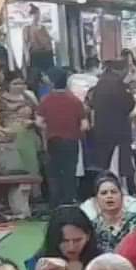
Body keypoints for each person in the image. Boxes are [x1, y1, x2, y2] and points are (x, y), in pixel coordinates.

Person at [36, 68, 86, 206]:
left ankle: (55, 202)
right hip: (71, 141)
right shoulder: (75, 101)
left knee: (54, 173)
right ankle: (69, 200)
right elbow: (84, 125)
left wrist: (49, 127)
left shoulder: (46, 100)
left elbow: (39, 122)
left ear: (52, 82)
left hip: (53, 141)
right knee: (70, 172)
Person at [0, 73, 43, 202]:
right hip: (11, 134)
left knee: (32, 163)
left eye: (22, 83)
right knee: (19, 163)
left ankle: (35, 196)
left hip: (29, 133)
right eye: (15, 83)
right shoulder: (1, 99)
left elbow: (38, 114)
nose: (19, 86)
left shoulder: (29, 96)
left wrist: (32, 123)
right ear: (8, 85)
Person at [88, 60, 136, 186]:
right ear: (120, 70)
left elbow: (93, 104)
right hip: (118, 133)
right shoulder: (119, 85)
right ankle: (121, 189)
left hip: (101, 131)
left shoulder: (100, 84)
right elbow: (128, 105)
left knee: (104, 165)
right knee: (119, 167)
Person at [85, 173, 136, 251]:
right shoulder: (91, 227)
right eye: (104, 193)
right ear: (96, 200)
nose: (109, 196)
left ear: (122, 197)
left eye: (113, 192)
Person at [22, 5, 55, 82]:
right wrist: (27, 56)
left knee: (47, 76)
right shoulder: (27, 28)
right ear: (32, 15)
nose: (37, 16)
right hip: (35, 55)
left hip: (46, 54)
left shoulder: (43, 28)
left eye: (38, 14)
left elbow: (48, 41)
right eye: (36, 14)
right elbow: (25, 44)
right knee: (35, 77)